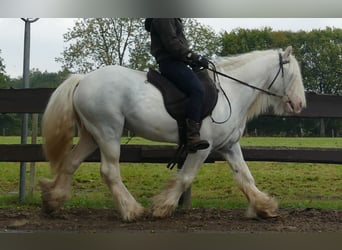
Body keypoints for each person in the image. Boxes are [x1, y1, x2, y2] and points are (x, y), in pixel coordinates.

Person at [145, 18, 210, 153]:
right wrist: (193, 56)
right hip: (170, 64)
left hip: (177, 62)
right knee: (197, 90)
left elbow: (178, 44)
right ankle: (192, 136)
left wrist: (190, 60)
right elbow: (171, 43)